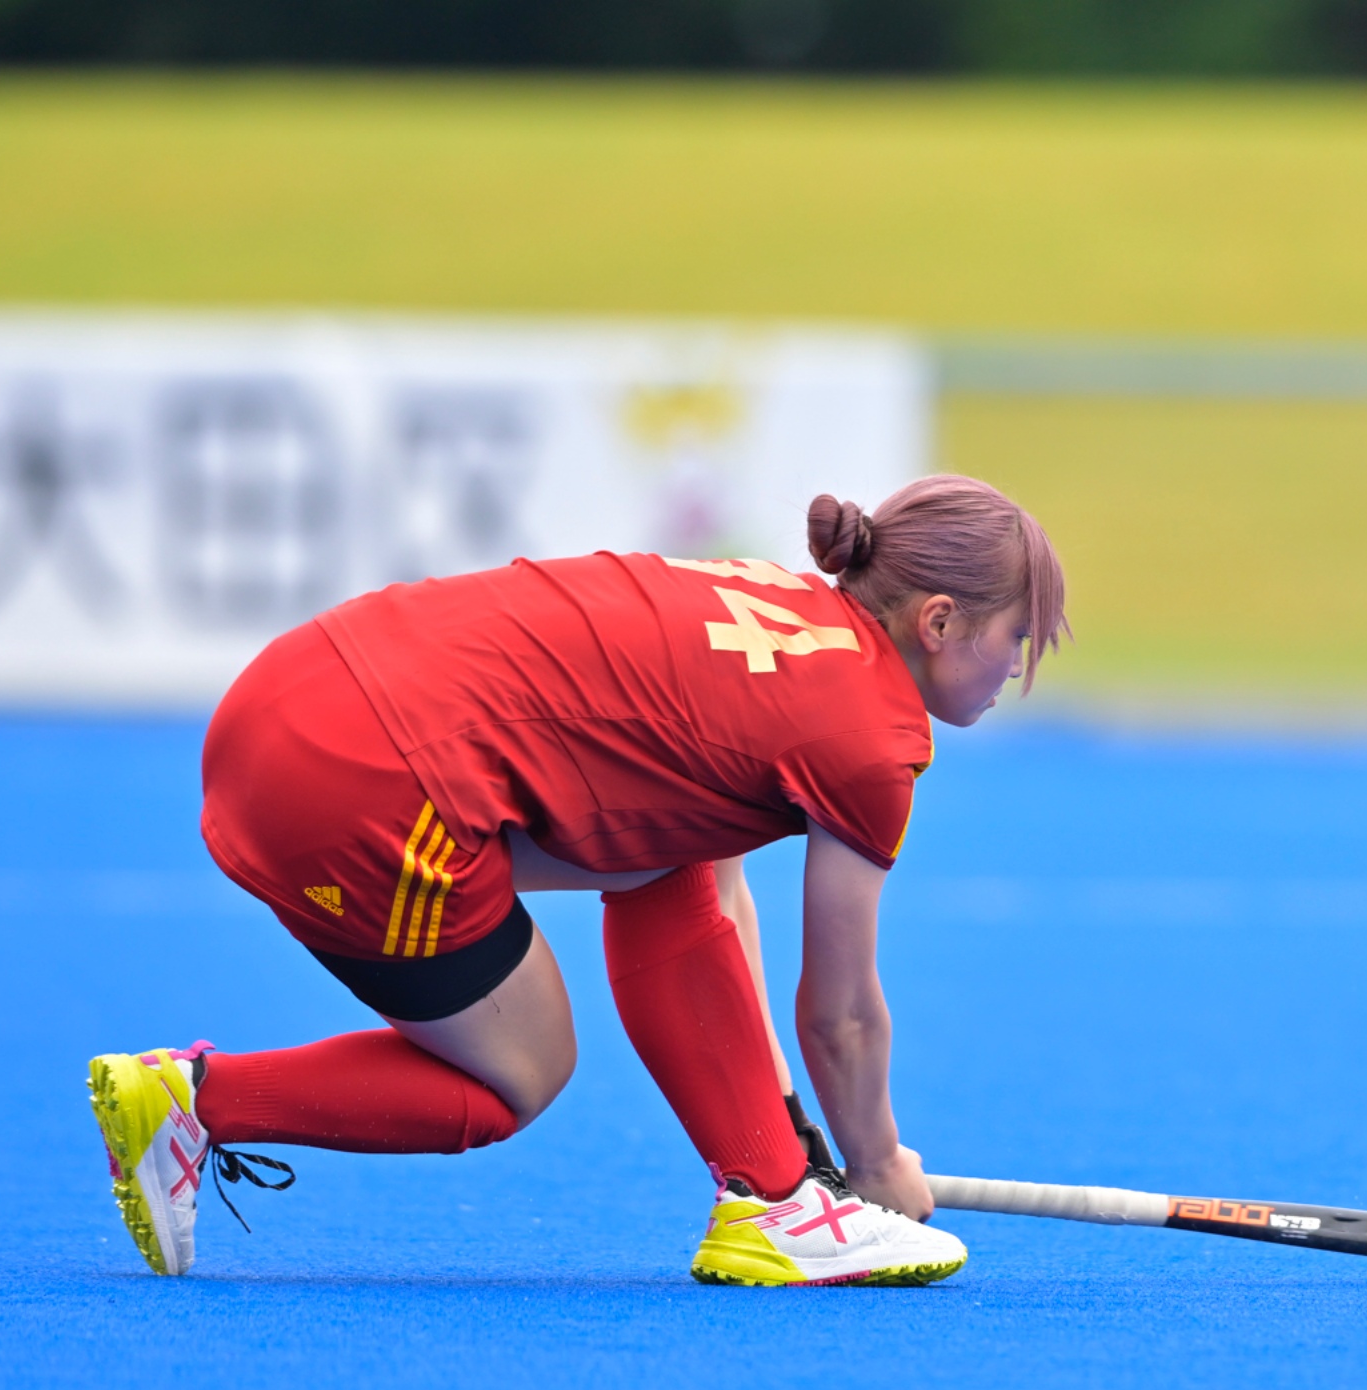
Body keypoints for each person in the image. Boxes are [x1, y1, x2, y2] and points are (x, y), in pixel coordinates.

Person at [85, 475, 1065, 1287]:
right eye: (1015, 641)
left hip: (293, 690)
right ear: (939, 621)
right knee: (517, 1073)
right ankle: (197, 1101)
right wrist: (878, 1160)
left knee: (659, 863)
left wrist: (793, 1143)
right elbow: (840, 1016)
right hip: (359, 779)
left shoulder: (771, 609)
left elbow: (708, 892)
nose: (1016, 668)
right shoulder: (871, 739)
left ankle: (770, 1201)